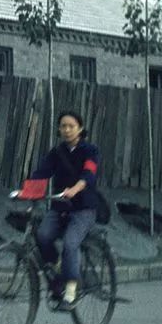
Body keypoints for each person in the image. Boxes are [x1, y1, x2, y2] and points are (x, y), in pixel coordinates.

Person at [30, 110, 101, 311]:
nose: (67, 130)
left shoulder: (90, 151)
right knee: (43, 236)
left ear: (80, 128)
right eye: (63, 126)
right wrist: (26, 191)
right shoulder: (57, 152)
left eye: (71, 126)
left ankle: (72, 288)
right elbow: (41, 173)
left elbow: (89, 174)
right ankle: (57, 269)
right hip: (60, 207)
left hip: (83, 209)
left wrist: (75, 189)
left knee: (71, 243)